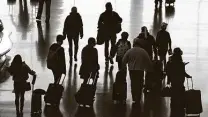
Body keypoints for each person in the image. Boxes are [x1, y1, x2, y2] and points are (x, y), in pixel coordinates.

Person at [122, 38, 153, 104]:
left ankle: (134, 97)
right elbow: (148, 61)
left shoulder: (130, 51)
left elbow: (124, 60)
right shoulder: (143, 51)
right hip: (140, 70)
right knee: (140, 83)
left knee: (133, 83)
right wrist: (149, 69)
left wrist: (124, 66)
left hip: (132, 70)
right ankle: (138, 97)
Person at [166, 47, 191, 117]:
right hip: (180, 80)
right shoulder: (181, 63)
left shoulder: (170, 61)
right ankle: (181, 105)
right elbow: (183, 72)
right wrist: (188, 76)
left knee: (174, 91)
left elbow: (167, 70)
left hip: (173, 79)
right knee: (181, 91)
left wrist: (168, 80)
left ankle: (173, 105)